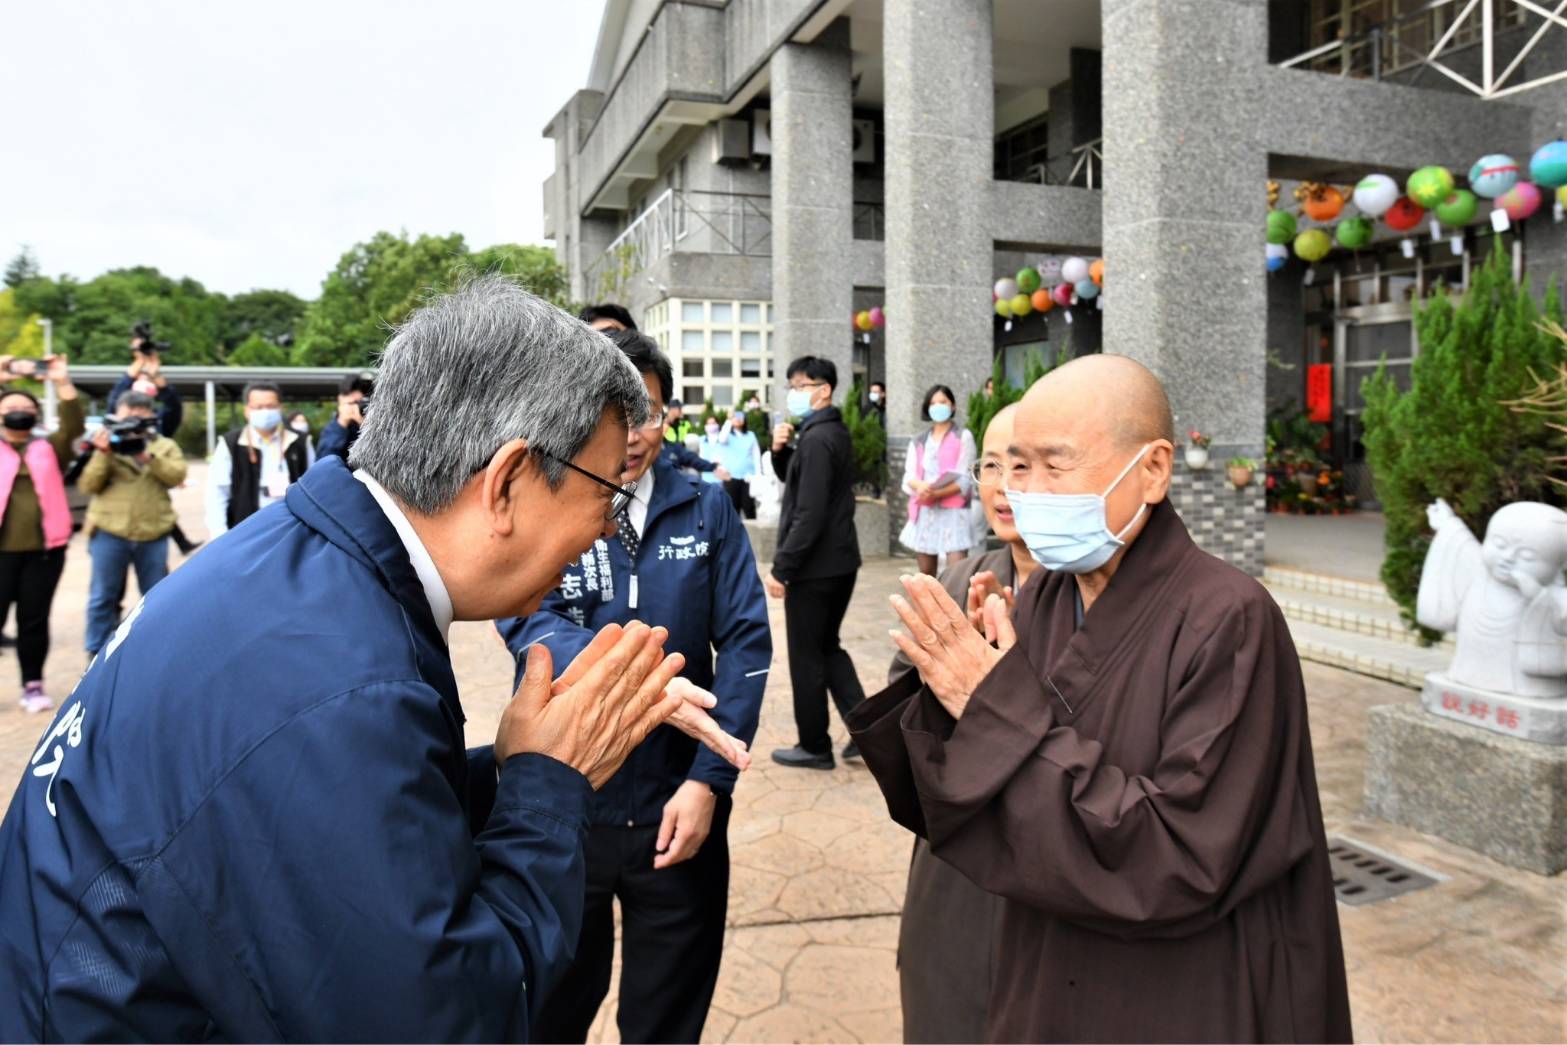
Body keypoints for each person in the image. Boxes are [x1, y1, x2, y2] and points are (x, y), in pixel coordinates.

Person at [0, 276, 745, 1041]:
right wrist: (544, 792)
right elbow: (448, 1017)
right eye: (604, 492)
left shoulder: (297, 566)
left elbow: (339, 822)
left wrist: (516, 763)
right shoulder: (343, 682)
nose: (603, 532)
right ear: (508, 481)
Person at [850, 354, 1352, 1043]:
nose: (1024, 490)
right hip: (1044, 965)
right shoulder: (1044, 599)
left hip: (1176, 990)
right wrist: (950, 692)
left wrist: (987, 701)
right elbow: (969, 800)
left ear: (1151, 469)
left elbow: (1179, 852)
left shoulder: (1228, 620)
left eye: (1054, 466)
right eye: (1014, 465)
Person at [499, 329, 769, 1044]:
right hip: (569, 800)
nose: (629, 433)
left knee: (665, 1015)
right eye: (609, 411)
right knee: (551, 1005)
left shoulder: (707, 508)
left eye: (644, 411)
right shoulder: (548, 502)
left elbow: (745, 639)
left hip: (677, 808)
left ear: (666, 413)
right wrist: (628, 678)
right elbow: (525, 615)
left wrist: (710, 780)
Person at [887, 403, 1035, 1044]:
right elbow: (900, 701)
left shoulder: (1094, 596)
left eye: (1024, 465)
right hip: (955, 849)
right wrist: (944, 687)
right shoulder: (959, 578)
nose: (1001, 486)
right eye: (990, 466)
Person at [766, 356, 865, 770]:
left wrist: (783, 566)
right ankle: (867, 733)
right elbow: (801, 481)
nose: (794, 392)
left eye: (801, 384)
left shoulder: (818, 439)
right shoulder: (826, 433)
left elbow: (810, 511)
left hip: (816, 568)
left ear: (823, 390)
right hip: (838, 561)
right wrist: (779, 451)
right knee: (828, 649)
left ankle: (814, 745)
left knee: (808, 656)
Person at [0, 355, 83, 713]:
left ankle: (32, 685)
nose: (20, 410)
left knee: (33, 619)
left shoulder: (49, 447)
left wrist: (62, 382)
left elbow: (72, 424)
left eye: (26, 405)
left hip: (45, 552)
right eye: (11, 406)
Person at [79, 391, 187, 656]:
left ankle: (153, 650)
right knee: (103, 596)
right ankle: (96, 652)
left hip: (153, 532)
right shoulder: (104, 443)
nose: (134, 420)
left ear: (151, 417)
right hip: (109, 531)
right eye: (129, 414)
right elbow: (88, 485)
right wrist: (103, 454)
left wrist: (145, 456)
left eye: (142, 414)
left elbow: (176, 476)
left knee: (156, 597)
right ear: (117, 414)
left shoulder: (163, 445)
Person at [204, 381, 309, 537]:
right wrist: (219, 536)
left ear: (280, 408)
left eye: (270, 406)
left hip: (291, 530)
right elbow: (217, 493)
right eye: (258, 407)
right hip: (245, 529)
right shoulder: (230, 443)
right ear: (246, 410)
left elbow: (312, 486)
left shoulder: (299, 442)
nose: (265, 411)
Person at [898, 384, 976, 576]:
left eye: (943, 402)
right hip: (925, 511)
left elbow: (965, 479)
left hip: (954, 513)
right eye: (933, 403)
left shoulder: (963, 437)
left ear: (953, 406)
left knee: (957, 572)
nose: (937, 406)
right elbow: (909, 476)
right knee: (926, 573)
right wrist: (921, 487)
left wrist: (937, 493)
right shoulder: (918, 440)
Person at [699, 413, 761, 520]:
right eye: (735, 417)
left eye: (740, 417)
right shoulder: (727, 436)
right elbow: (722, 438)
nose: (737, 419)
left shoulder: (751, 435)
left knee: (749, 507)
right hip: (731, 477)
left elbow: (756, 455)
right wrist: (728, 421)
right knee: (733, 508)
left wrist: (758, 474)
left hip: (748, 477)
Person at [316, 373, 373, 462]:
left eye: (359, 403)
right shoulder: (333, 429)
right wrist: (342, 424)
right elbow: (326, 462)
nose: (356, 407)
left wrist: (365, 426)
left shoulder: (368, 425)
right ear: (340, 400)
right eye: (352, 403)